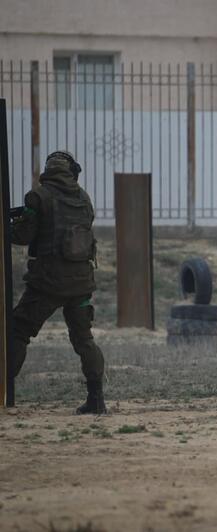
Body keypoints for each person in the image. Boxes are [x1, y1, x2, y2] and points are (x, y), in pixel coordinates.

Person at [9, 150, 107, 414]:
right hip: (81, 283)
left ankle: (3, 389)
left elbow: (23, 236)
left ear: (48, 170)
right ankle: (96, 398)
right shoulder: (84, 198)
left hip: (48, 283)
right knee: (84, 339)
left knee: (18, 330)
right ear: (72, 171)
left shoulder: (38, 197)